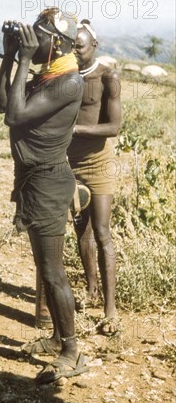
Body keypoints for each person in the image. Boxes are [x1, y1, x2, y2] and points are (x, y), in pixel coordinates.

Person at [0, 8, 89, 384]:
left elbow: (14, 116)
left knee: (52, 272)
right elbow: (1, 104)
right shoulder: (49, 73)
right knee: (45, 268)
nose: (33, 40)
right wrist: (10, 58)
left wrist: (23, 60)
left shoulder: (68, 82)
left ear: (58, 45)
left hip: (48, 183)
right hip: (35, 182)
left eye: (39, 36)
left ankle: (71, 350)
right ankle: (56, 340)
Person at [67, 19, 121, 335]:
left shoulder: (107, 77)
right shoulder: (67, 76)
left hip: (99, 162)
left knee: (101, 231)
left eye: (80, 46)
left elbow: (113, 127)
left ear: (94, 47)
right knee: (80, 230)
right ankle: (91, 290)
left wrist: (74, 129)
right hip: (69, 163)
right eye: (72, 45)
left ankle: (110, 311)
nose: (75, 50)